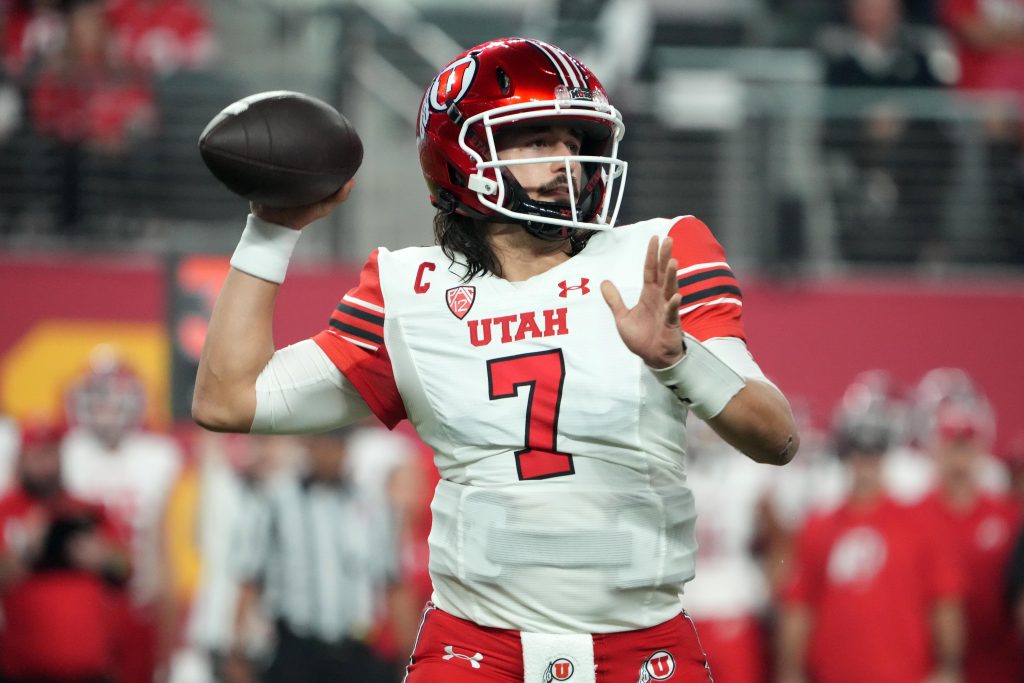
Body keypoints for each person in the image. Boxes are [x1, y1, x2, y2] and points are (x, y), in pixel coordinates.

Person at [192, 37, 800, 682]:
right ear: (464, 155)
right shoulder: (412, 290)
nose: (567, 159)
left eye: (573, 139)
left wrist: (679, 359)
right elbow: (227, 399)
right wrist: (270, 230)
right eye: (537, 140)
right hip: (476, 654)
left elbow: (777, 437)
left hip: (640, 650)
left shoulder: (656, 253)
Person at [775, 381, 965, 683]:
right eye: (858, 451)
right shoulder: (818, 526)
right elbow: (800, 607)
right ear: (846, 456)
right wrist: (790, 672)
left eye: (874, 452)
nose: (865, 463)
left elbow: (943, 601)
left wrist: (949, 668)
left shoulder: (920, 523)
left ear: (886, 455)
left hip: (908, 675)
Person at [225, 429, 398, 683]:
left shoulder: (370, 506)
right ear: (307, 446)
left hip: (356, 650)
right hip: (297, 650)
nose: (328, 454)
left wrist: (409, 654)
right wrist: (238, 651)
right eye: (321, 444)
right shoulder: (276, 501)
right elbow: (250, 579)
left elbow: (392, 583)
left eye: (336, 445)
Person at [62, 348, 183, 683]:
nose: (107, 407)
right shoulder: (66, 452)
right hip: (75, 606)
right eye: (98, 397)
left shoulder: (157, 458)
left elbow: (162, 557)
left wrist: (168, 641)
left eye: (116, 396)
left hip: (135, 605)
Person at [0, 419, 131, 683]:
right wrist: (26, 549)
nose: (44, 463)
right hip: (23, 671)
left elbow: (126, 569)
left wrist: (104, 556)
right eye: (36, 455)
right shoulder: (6, 511)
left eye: (50, 453)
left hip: (90, 671)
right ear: (20, 460)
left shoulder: (88, 510)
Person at [914, 398, 1024, 683]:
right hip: (931, 669)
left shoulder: (1009, 517)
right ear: (935, 448)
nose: (958, 458)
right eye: (951, 444)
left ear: (981, 449)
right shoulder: (912, 517)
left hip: (1002, 666)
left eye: (967, 445)